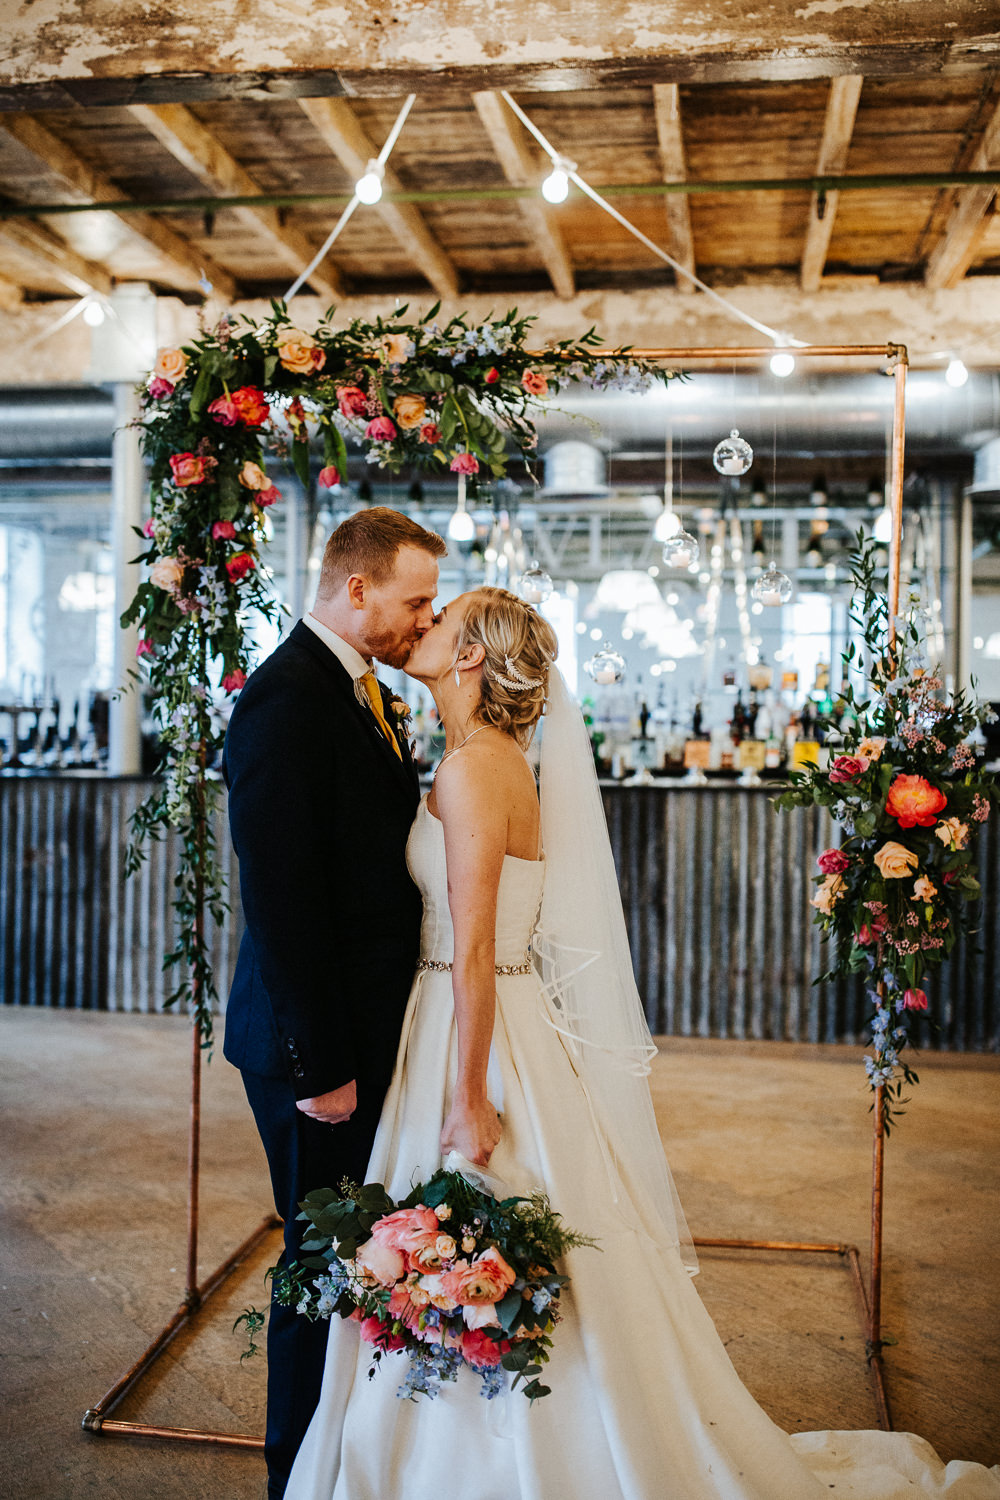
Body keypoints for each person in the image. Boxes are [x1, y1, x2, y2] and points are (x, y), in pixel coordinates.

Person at [284, 586, 1000, 1500]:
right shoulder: (488, 758)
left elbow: (470, 954)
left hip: (474, 1029)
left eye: (441, 619)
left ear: (470, 657)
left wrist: (467, 1096)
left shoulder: (473, 771)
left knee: (488, 1215)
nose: (421, 628)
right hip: (491, 1019)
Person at [222, 507, 446, 1500]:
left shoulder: (361, 691)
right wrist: (323, 1069)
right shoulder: (286, 703)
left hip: (360, 1025)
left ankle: (341, 1459)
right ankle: (291, 1476)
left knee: (355, 1250)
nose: (420, 621)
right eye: (413, 602)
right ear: (355, 589)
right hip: (308, 1049)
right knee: (317, 1267)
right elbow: (281, 901)